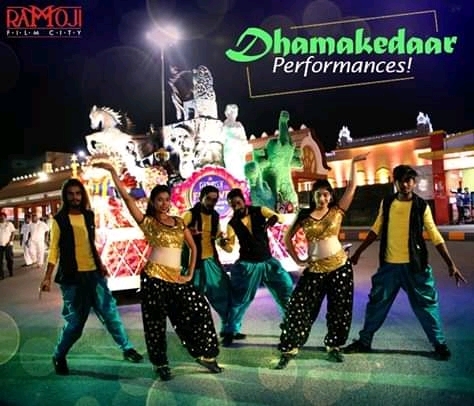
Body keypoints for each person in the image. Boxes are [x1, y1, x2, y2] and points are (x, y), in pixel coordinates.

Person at [93, 159, 223, 381]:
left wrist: (189, 274)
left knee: (199, 308)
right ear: (153, 202)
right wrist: (113, 172)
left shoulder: (179, 222)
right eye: (160, 200)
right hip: (153, 277)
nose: (164, 203)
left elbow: (193, 247)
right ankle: (160, 363)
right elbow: (127, 199)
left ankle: (204, 354)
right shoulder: (148, 222)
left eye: (166, 199)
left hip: (176, 278)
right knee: (155, 323)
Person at [343, 165, 467, 360]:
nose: (405, 184)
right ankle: (364, 341)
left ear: (414, 183)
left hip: (415, 266)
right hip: (389, 267)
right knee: (376, 303)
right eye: (401, 180)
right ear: (396, 182)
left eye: (409, 180)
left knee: (426, 305)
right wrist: (358, 253)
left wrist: (450, 263)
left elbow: (434, 234)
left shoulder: (421, 206)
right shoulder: (387, 203)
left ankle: (439, 344)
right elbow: (376, 229)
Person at [39, 178, 143, 376]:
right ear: (65, 196)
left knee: (110, 313)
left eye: (78, 193)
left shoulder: (88, 215)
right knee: (76, 323)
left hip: (94, 275)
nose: (75, 197)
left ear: (82, 195)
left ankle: (127, 347)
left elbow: (89, 243)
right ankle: (59, 355)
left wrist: (100, 264)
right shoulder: (59, 220)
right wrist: (47, 277)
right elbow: (53, 250)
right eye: (71, 194)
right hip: (72, 278)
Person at [275, 154, 367, 369]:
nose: (322, 198)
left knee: (339, 309)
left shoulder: (336, 211)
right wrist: (298, 259)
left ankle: (334, 345)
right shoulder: (305, 216)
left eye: (326, 194)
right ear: (313, 196)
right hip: (314, 269)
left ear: (330, 196)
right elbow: (287, 238)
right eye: (318, 195)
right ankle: (290, 347)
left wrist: (353, 164)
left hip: (339, 267)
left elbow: (351, 188)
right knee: (300, 307)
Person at [219, 188, 294, 347]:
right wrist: (222, 243)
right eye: (233, 205)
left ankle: (291, 325)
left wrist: (274, 218)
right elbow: (230, 248)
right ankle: (230, 331)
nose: (236, 207)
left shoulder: (259, 210)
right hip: (248, 265)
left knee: (285, 288)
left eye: (238, 202)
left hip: (268, 262)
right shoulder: (232, 224)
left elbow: (279, 218)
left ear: (243, 200)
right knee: (240, 299)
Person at [183, 185, 245, 340]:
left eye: (214, 200)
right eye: (209, 199)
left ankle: (228, 329)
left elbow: (217, 237)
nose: (211, 202)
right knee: (193, 300)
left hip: (211, 260)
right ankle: (195, 335)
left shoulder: (215, 216)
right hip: (193, 263)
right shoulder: (190, 215)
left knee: (223, 292)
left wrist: (223, 242)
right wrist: (188, 233)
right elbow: (177, 233)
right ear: (201, 198)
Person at [0, 211, 16, 280]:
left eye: (3, 217)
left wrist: (10, 241)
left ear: (5, 217)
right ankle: (1, 275)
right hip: (0, 245)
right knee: (0, 260)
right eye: (0, 217)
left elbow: (13, 233)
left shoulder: (9, 224)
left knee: (9, 259)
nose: (2, 218)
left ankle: (10, 271)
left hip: (8, 244)